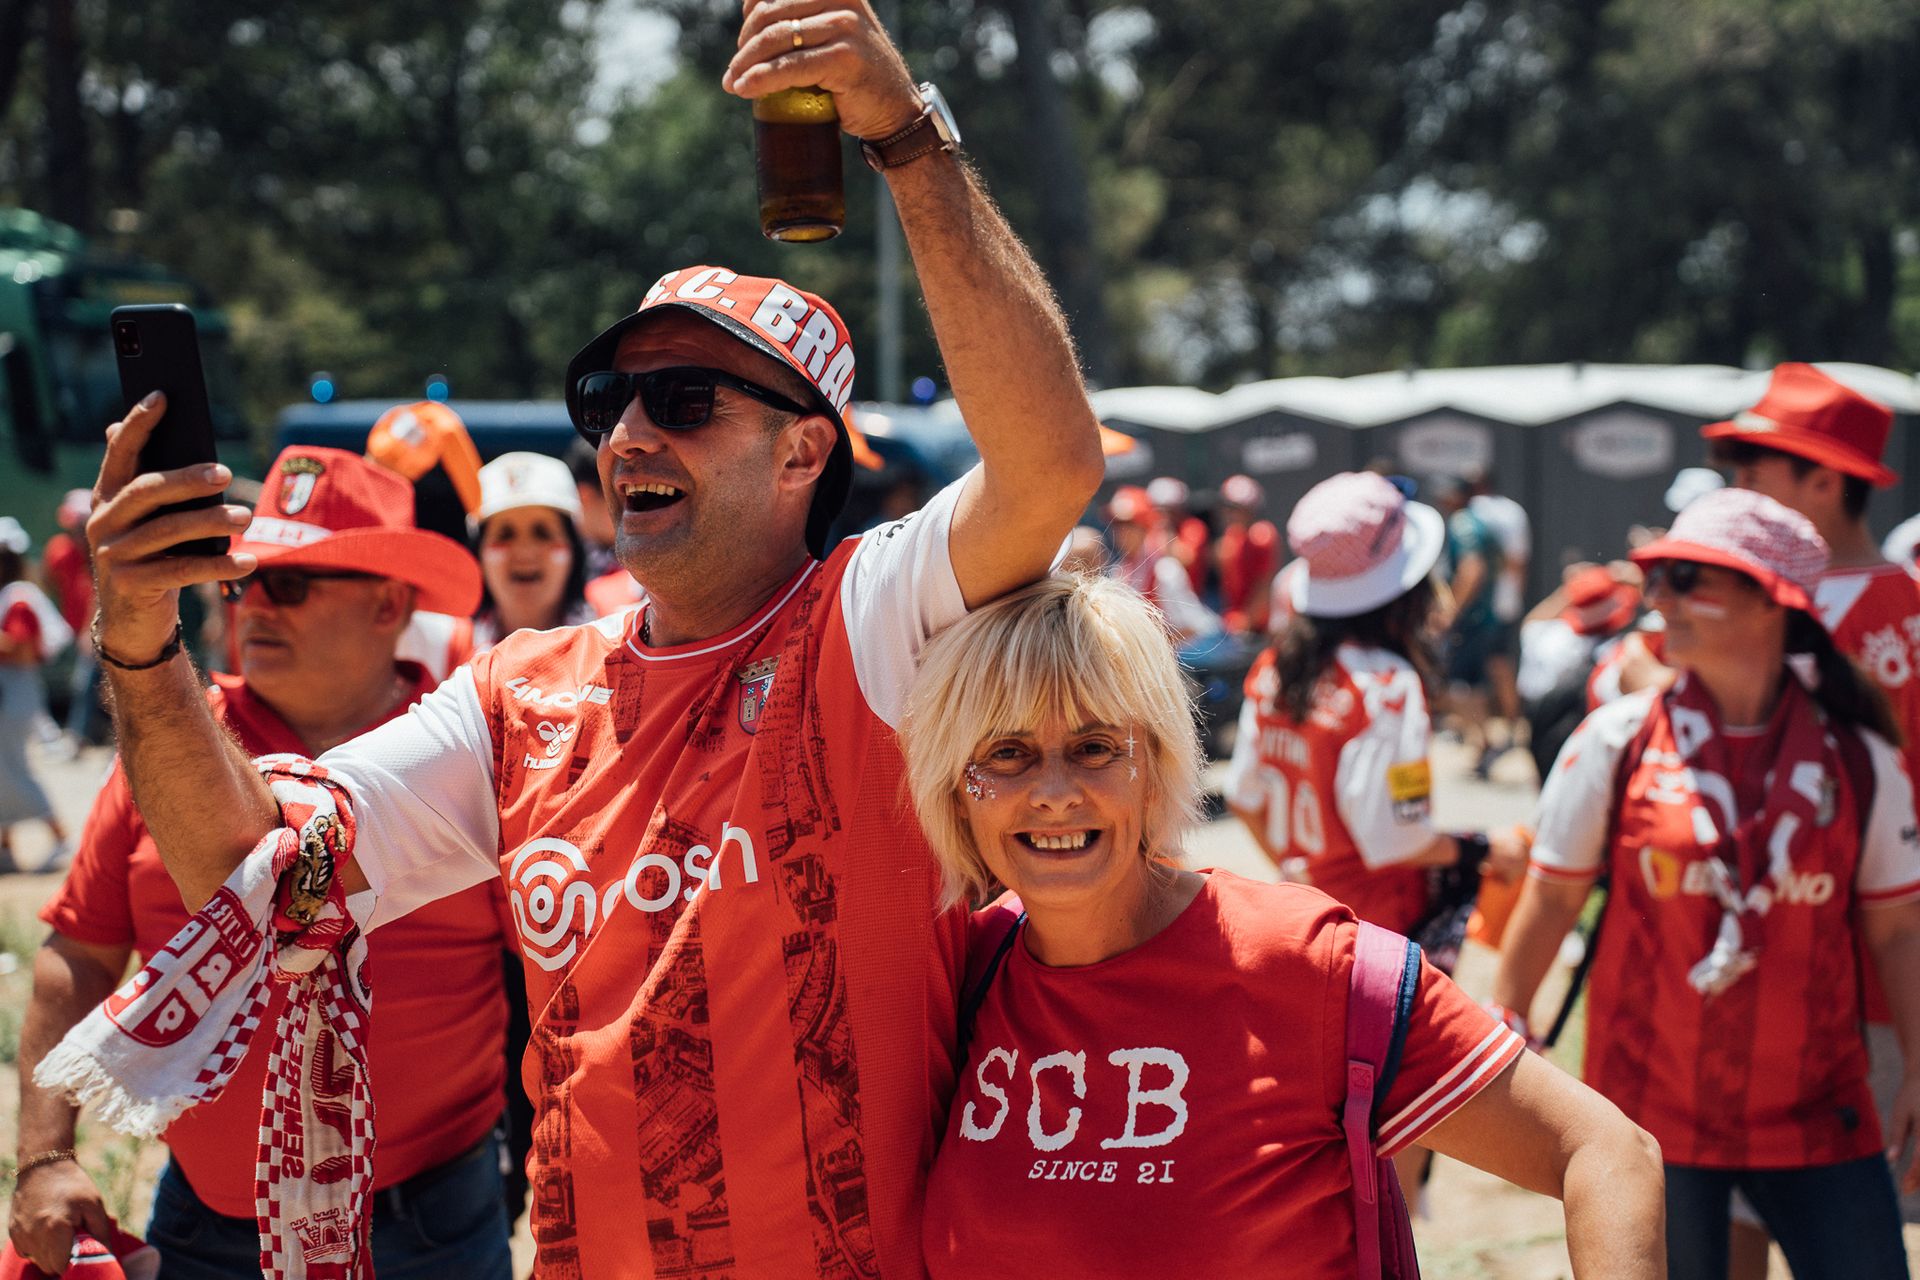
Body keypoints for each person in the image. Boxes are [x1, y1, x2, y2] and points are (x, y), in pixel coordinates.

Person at [67, 1, 1106, 1272]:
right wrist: (139, 637)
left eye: (684, 398)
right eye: (609, 398)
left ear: (802, 453)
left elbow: (1050, 463)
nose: (627, 436)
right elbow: (249, 866)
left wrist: (903, 137)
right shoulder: (519, 695)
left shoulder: (870, 620)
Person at [899, 573, 1666, 1279]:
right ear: (955, 787)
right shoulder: (962, 973)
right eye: (1006, 753)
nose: (1054, 791)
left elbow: (1606, 1150)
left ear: (1157, 765)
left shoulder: (1309, 968)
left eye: (1095, 746)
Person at [11, 448, 519, 1279]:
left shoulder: (468, 757)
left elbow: (552, 986)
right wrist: (43, 1156)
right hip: (207, 1226)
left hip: (426, 1230)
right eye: (239, 584)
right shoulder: (170, 740)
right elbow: (81, 949)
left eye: (288, 584)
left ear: (390, 603)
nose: (252, 606)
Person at [1491, 487, 1920, 1279]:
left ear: (1771, 601)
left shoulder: (1860, 757)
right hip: (1650, 1120)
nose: (1659, 599)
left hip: (1819, 1115)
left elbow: (1897, 931)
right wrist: (1505, 1028)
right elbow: (1551, 899)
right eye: (1659, 577)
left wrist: (1919, 1069)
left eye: (1688, 579)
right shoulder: (1615, 740)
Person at [1225, 471, 1527, 936]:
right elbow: (1399, 838)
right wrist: (1484, 847)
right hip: (1378, 932)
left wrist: (1295, 872)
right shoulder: (1386, 688)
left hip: (1306, 919)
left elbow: (1243, 797)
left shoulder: (1273, 668)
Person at [0, 516, 73, 872]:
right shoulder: (10, 596)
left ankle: (59, 838)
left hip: (13, 691)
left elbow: (24, 650)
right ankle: (5, 850)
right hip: (9, 690)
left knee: (12, 767)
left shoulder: (18, 598)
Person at [468, 451, 596, 652]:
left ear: (574, 549)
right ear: (479, 553)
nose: (525, 552)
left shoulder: (616, 640)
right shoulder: (445, 652)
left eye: (542, 533)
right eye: (505, 534)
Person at [1427, 474, 1508, 770]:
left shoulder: (1464, 524)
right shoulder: (1477, 522)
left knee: (1458, 687)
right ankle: (1483, 743)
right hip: (1479, 618)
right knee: (1470, 686)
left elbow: (1472, 570)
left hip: (1470, 621)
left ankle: (1486, 742)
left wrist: (1451, 612)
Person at [1107, 486, 1219, 645]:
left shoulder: (1164, 570)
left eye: (1128, 524)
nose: (1120, 532)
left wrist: (1148, 649)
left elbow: (1190, 629)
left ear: (1144, 527)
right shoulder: (1119, 571)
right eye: (1116, 524)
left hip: (1199, 649)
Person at [1469, 472, 1531, 761]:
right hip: (1504, 601)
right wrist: (1513, 597)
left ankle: (1485, 738)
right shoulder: (1512, 511)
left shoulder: (1475, 511)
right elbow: (1519, 563)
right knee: (1499, 665)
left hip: (1480, 604)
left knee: (1478, 673)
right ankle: (1513, 726)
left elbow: (1483, 564)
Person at [42, 489, 101, 753]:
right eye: (74, 526)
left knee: (84, 684)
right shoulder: (59, 549)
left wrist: (88, 633)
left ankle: (78, 739)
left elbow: (99, 598)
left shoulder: (102, 550)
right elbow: (48, 582)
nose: (77, 532)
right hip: (72, 632)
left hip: (100, 633)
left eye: (81, 526)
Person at [1213, 473, 1279, 635]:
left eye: (1236, 509)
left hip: (1257, 627)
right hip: (1233, 620)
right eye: (1227, 508)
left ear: (1250, 510)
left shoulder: (1262, 536)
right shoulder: (1231, 536)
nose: (1229, 513)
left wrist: (1247, 622)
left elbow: (1264, 585)